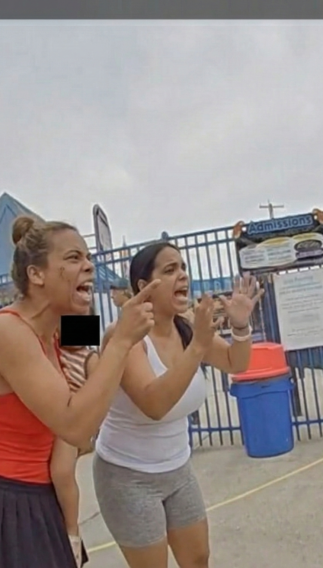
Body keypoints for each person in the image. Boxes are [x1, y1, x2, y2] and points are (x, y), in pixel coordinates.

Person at [0, 216, 159, 568]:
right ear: (36, 274)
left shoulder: (57, 328)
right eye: (74, 258)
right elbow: (75, 426)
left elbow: (92, 375)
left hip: (38, 495)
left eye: (88, 257)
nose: (89, 266)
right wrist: (121, 340)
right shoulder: (7, 331)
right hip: (4, 500)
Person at [94, 241, 262, 568]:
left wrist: (240, 327)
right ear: (144, 287)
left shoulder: (184, 327)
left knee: (198, 558)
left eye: (182, 267)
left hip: (178, 468)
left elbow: (234, 362)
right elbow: (155, 404)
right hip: (128, 475)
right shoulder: (125, 335)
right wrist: (198, 345)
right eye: (169, 270)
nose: (182, 275)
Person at [50, 338, 99, 567]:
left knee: (62, 472)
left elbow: (99, 397)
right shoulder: (53, 349)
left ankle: (72, 529)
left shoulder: (89, 358)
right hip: (53, 412)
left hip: (70, 418)